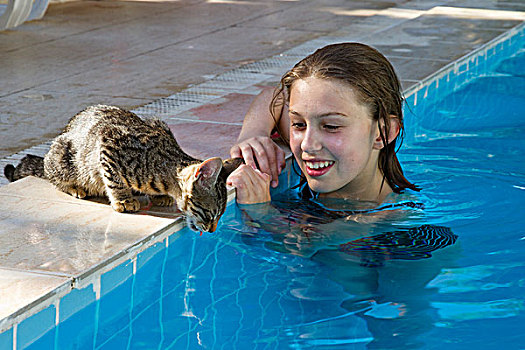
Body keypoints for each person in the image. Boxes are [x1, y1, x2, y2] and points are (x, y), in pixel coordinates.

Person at [228, 42, 419, 205]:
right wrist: (254, 133)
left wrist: (259, 215)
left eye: (331, 127)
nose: (307, 145)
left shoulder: (387, 230)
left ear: (382, 132)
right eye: (299, 124)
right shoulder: (320, 144)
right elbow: (273, 97)